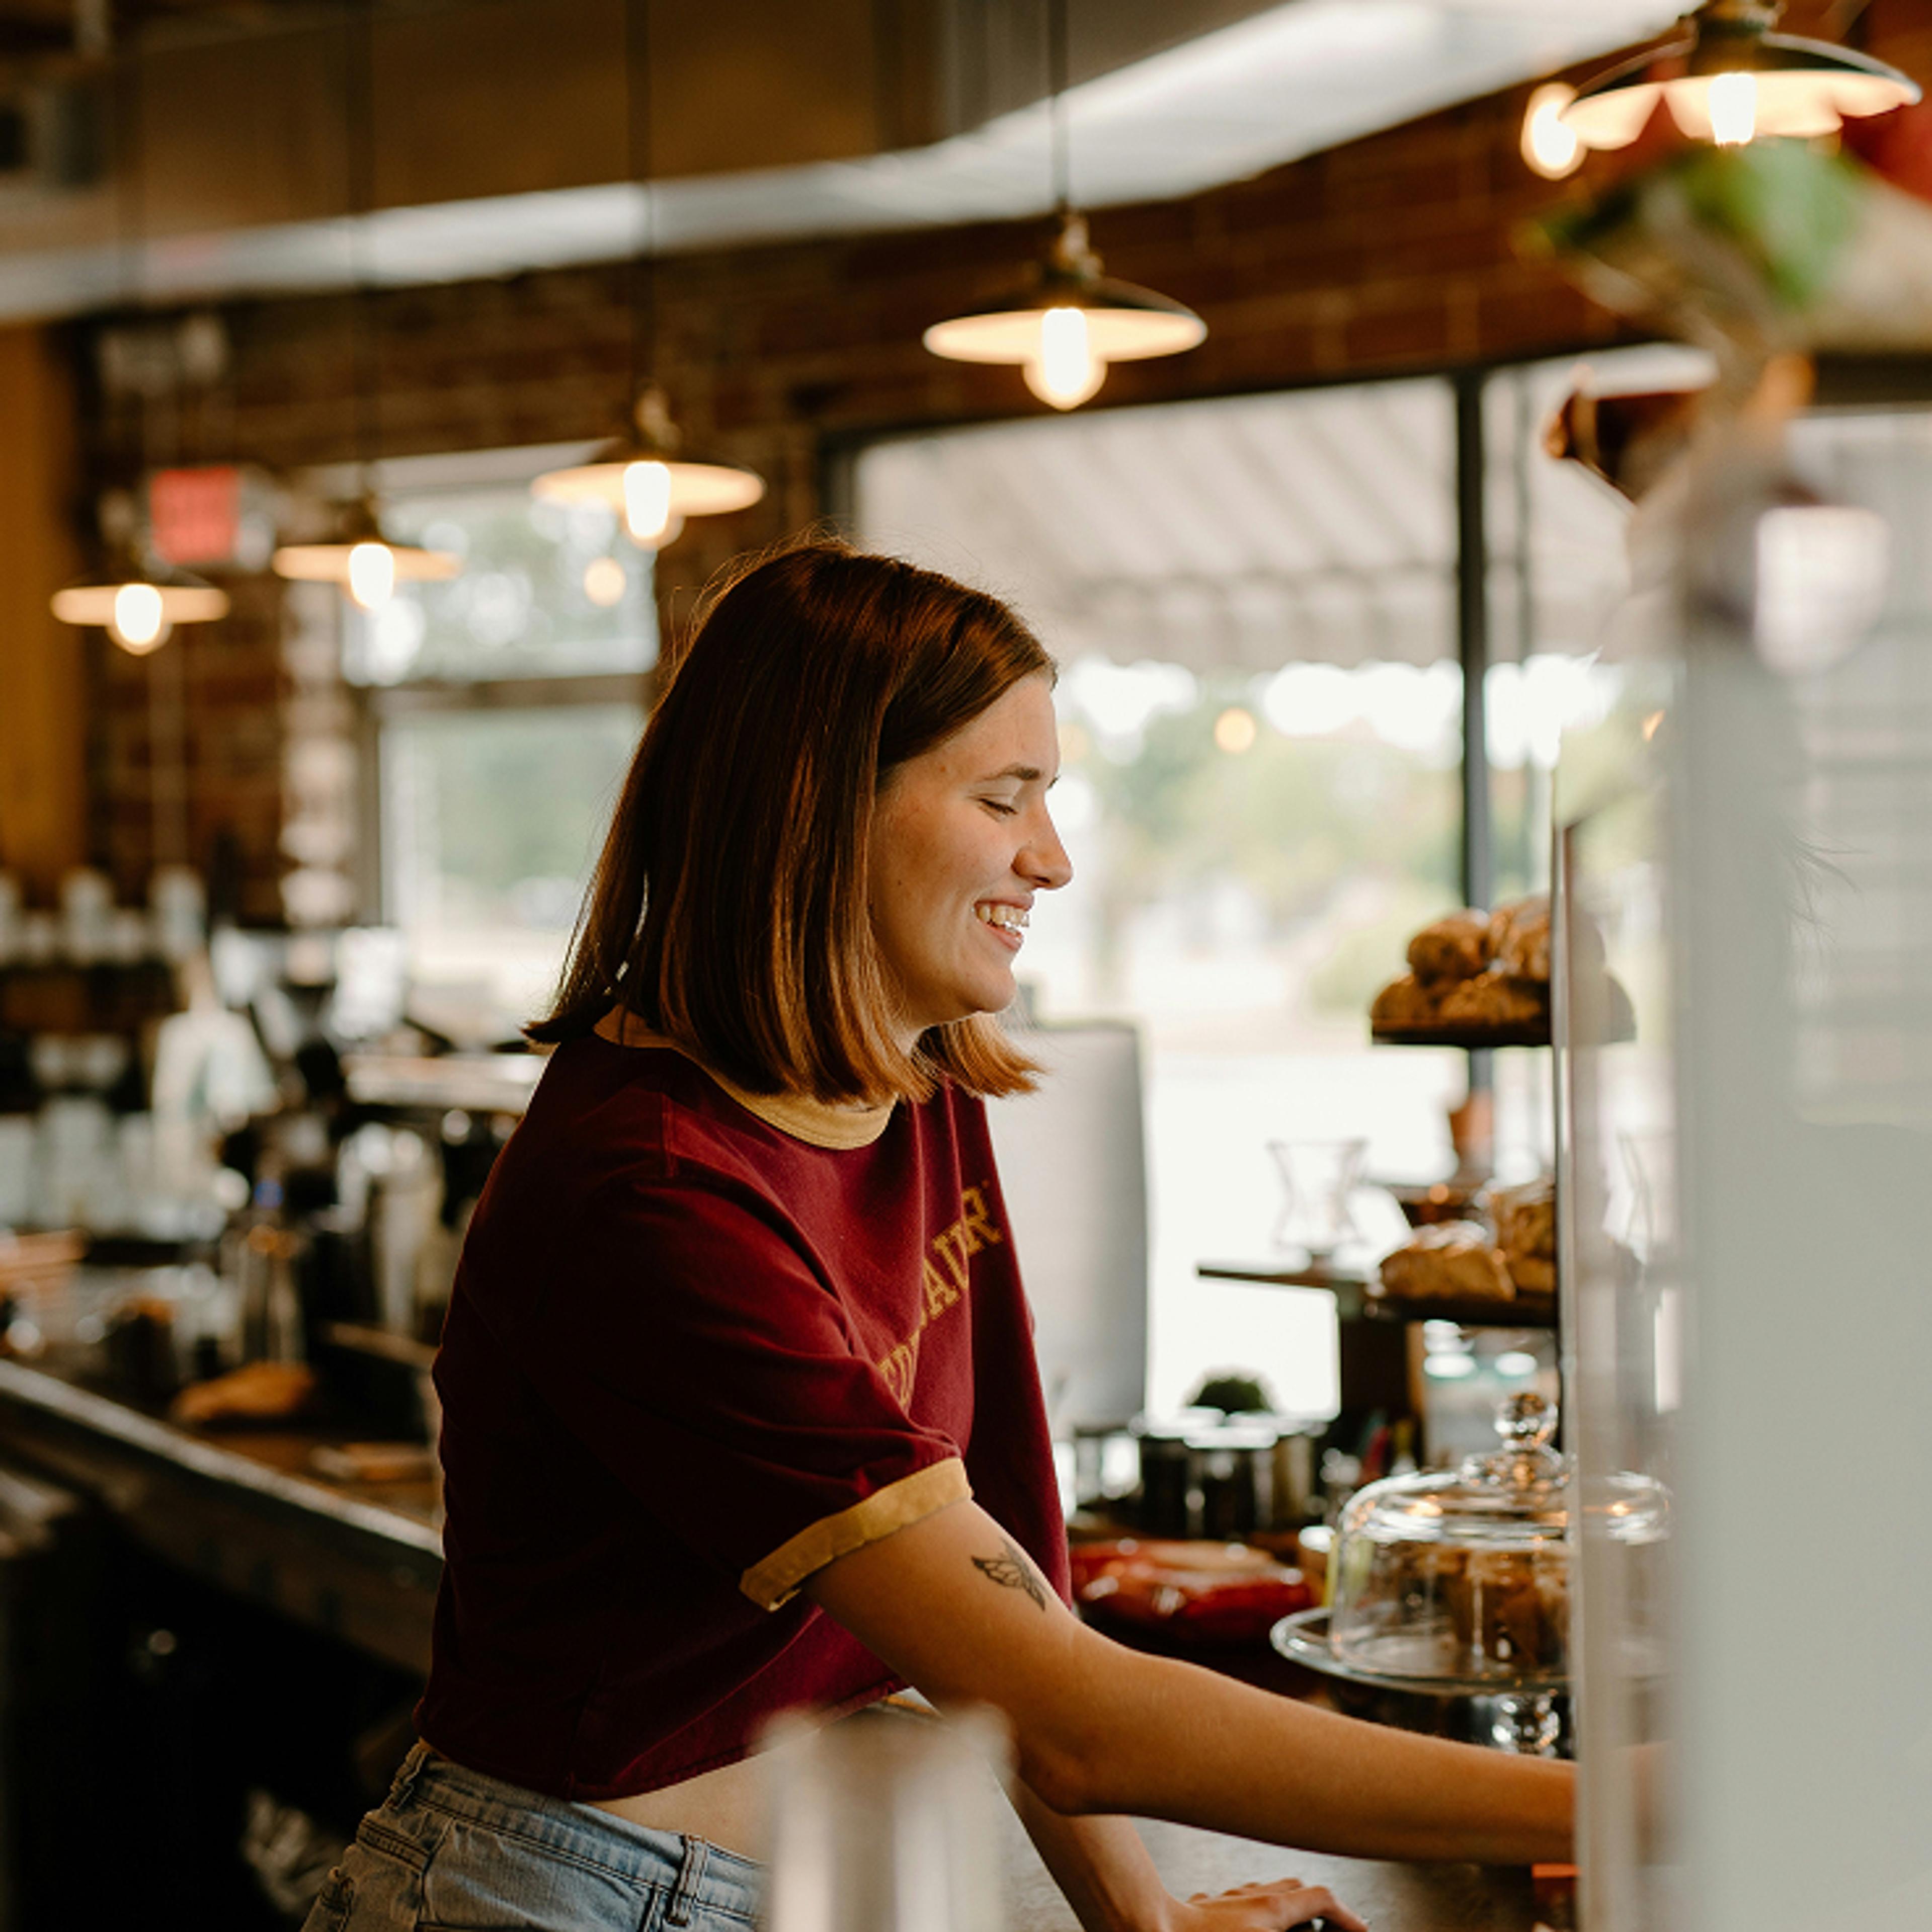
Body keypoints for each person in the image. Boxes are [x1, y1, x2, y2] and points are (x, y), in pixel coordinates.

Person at [307, 540, 1572, 1932]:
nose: (1054, 856)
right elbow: (1069, 1720)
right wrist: (1616, 1802)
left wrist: (1136, 1921)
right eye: (1001, 797)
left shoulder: (905, 1080)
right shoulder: (650, 1191)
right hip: (555, 1898)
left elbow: (1016, 1582)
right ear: (816, 811)